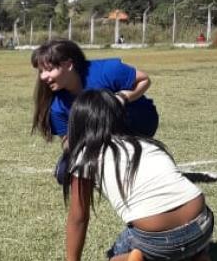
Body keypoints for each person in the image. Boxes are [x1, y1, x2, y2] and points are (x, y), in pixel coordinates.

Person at [48, 90, 217, 261]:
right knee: (184, 227)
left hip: (155, 241)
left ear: (78, 123)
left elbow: (78, 218)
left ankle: (136, 260)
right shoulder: (146, 143)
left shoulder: (86, 157)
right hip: (203, 225)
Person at [31, 38, 158, 184]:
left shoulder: (107, 71)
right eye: (41, 71)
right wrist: (74, 153)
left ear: (69, 65)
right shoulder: (57, 106)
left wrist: (123, 98)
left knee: (121, 165)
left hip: (138, 122)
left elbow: (144, 80)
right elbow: (67, 140)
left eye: (49, 70)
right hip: (98, 135)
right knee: (64, 173)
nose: (43, 77)